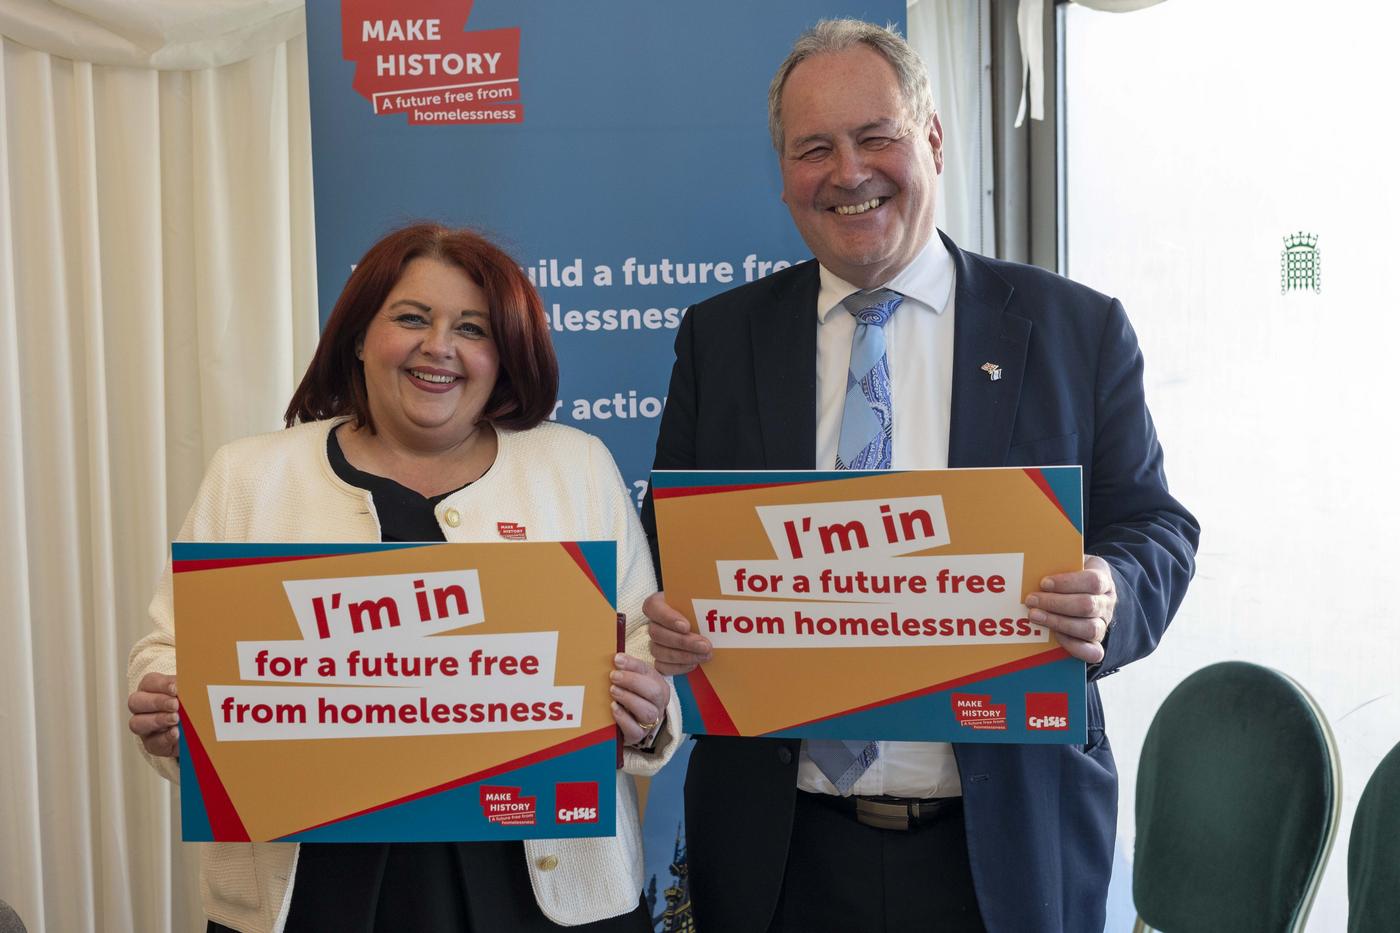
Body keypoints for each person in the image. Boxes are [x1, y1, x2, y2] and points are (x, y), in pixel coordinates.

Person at [641, 19, 1199, 933]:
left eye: (877, 137)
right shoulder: (720, 338)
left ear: (933, 140)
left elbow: (1157, 527)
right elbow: (674, 540)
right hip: (781, 852)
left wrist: (1110, 591)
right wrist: (668, 611)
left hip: (1008, 843)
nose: (848, 172)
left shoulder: (1075, 329)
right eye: (813, 147)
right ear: (784, 173)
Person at [127, 223, 681, 933]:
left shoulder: (574, 465)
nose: (439, 346)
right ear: (359, 336)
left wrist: (645, 706)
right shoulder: (252, 475)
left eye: (472, 328)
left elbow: (639, 638)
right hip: (316, 884)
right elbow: (170, 650)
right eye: (412, 318)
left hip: (545, 884)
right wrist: (167, 709)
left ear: (501, 354)